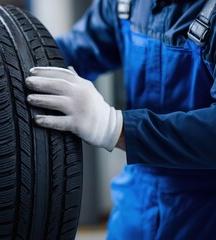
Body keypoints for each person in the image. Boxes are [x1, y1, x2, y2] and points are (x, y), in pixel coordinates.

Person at [26, 0, 216, 238]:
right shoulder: (125, 3)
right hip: (135, 202)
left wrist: (114, 127)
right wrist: (9, 64)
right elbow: (73, 52)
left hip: (206, 212)